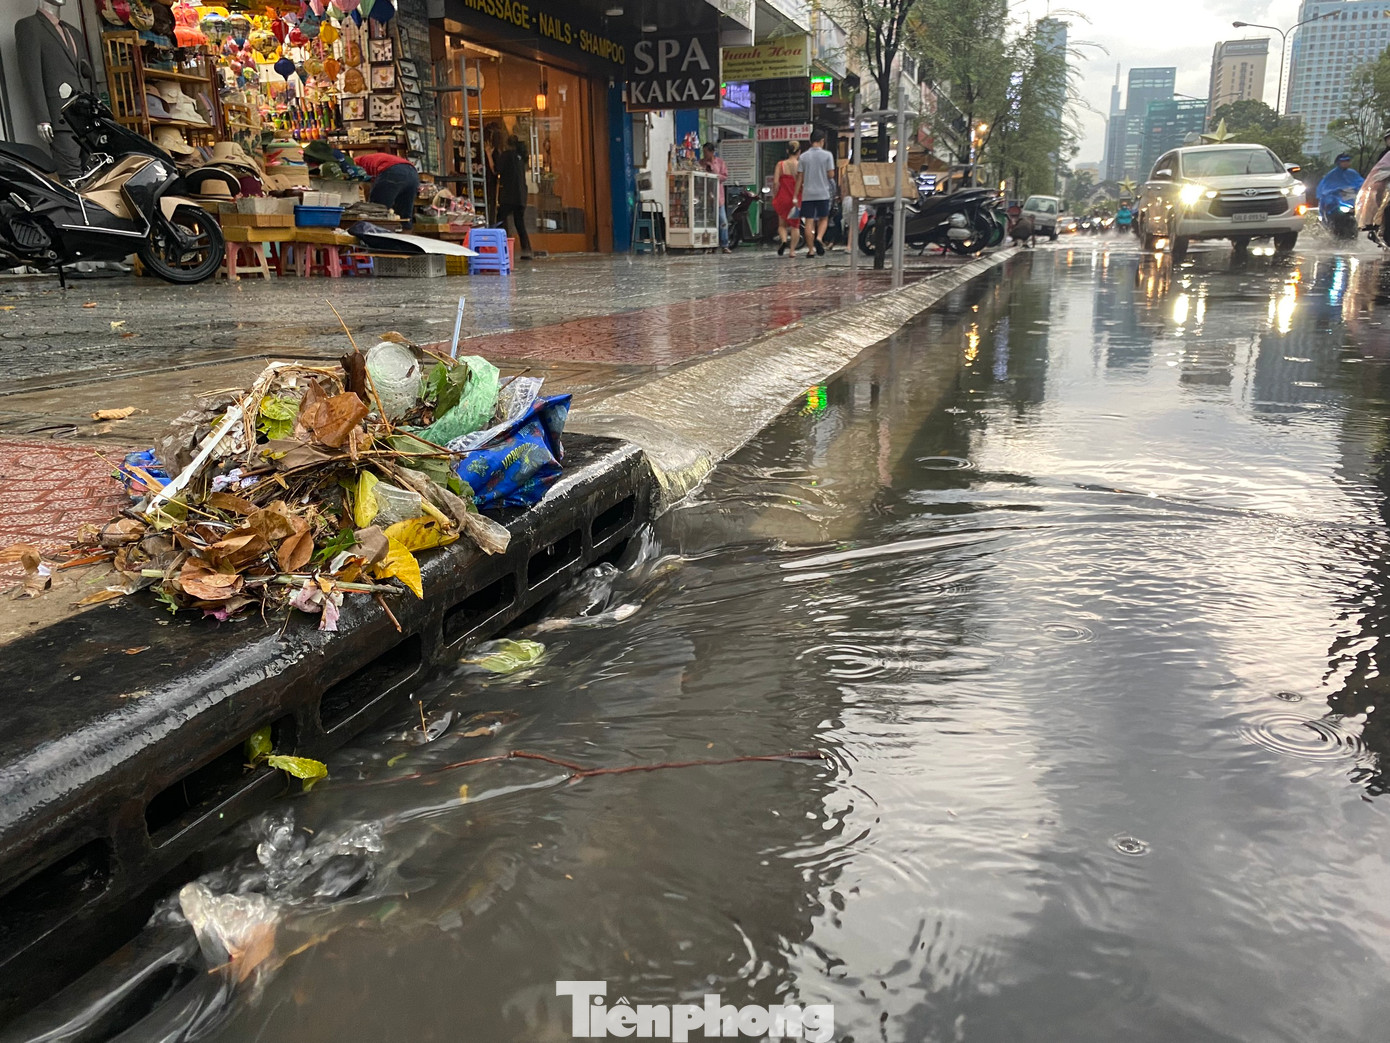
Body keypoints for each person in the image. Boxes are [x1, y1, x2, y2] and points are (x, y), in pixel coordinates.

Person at [794, 129, 835, 258]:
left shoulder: (803, 156)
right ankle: (819, 237)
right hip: (823, 193)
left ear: (810, 141)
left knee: (809, 222)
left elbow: (799, 177)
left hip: (808, 194)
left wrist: (795, 195)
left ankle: (811, 250)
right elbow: (831, 174)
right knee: (823, 218)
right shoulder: (827, 155)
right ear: (822, 141)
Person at [356, 151, 420, 230]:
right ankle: (407, 237)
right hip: (412, 173)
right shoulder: (371, 160)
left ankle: (377, 239)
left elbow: (366, 188)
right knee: (404, 217)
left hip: (392, 171)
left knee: (377, 212)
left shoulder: (355, 164)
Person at [496, 134, 534, 260]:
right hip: (521, 196)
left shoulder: (506, 155)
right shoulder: (520, 158)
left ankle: (501, 248)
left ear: (507, 144)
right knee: (519, 223)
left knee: (500, 220)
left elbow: (496, 170)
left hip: (508, 195)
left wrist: (489, 155)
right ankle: (527, 250)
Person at [772, 140, 801, 257]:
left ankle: (784, 241)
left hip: (783, 197)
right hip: (795, 198)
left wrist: (775, 195)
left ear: (787, 151)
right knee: (795, 225)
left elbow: (775, 183)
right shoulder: (800, 165)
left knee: (782, 224)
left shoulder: (780, 165)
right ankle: (792, 251)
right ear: (799, 152)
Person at [701, 141, 731, 253]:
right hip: (706, 197)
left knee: (723, 220)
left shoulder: (720, 163)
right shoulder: (701, 163)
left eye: (706, 152)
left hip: (718, 197)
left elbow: (724, 176)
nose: (705, 155)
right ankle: (709, 244)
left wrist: (713, 173)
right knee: (708, 221)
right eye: (703, 152)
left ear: (712, 152)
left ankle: (724, 244)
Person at [1317, 152, 1364, 221]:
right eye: (1343, 161)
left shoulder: (1352, 173)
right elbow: (1325, 187)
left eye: (1347, 161)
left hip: (1351, 198)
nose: (1345, 163)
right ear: (1338, 162)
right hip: (1336, 199)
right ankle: (1326, 219)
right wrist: (1334, 191)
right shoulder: (1332, 174)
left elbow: (1361, 183)